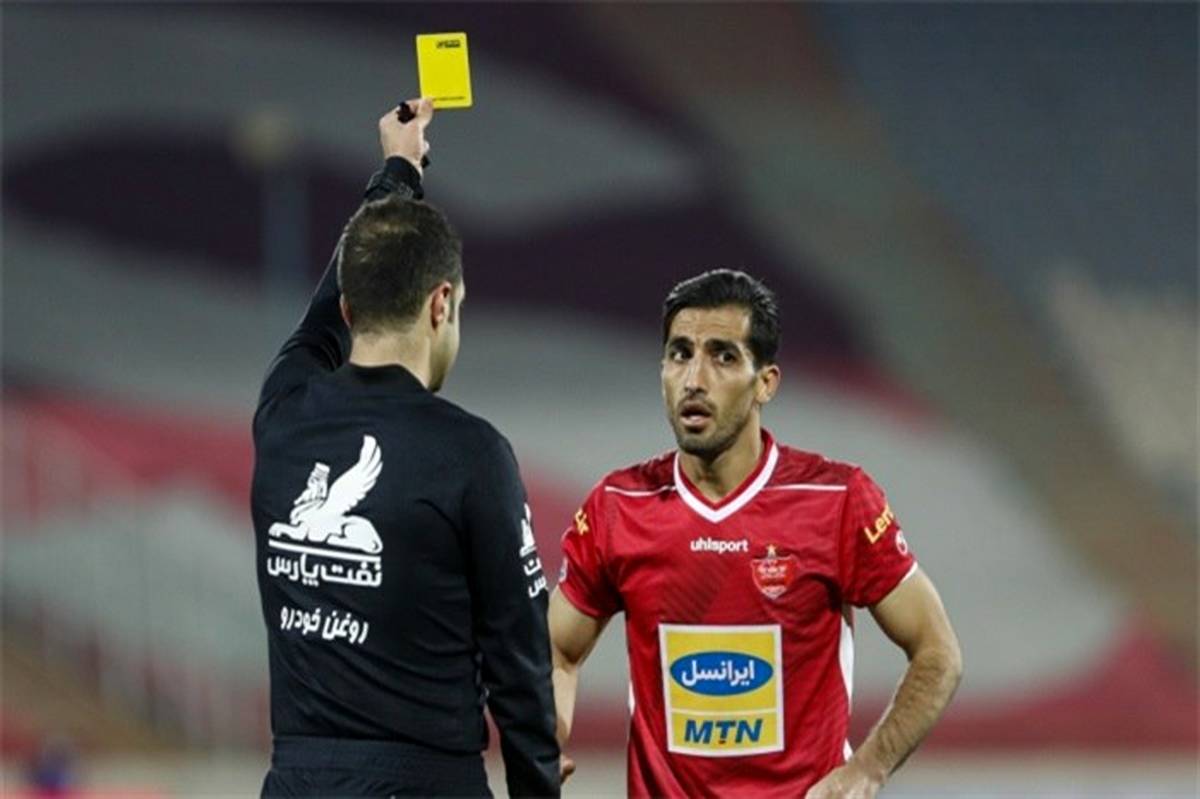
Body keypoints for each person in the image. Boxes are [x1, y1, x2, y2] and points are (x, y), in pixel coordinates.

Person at [550, 269, 962, 798]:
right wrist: (546, 734)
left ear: (766, 382)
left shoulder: (835, 500)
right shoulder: (620, 506)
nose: (694, 379)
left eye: (723, 357)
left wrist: (867, 769)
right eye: (680, 354)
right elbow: (557, 650)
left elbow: (937, 652)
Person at [251, 99, 559, 798]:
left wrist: (396, 172)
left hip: (296, 782)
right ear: (441, 303)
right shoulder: (472, 454)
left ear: (350, 308)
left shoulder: (283, 411)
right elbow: (520, 668)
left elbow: (320, 315)